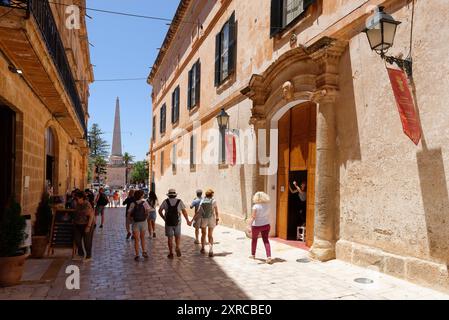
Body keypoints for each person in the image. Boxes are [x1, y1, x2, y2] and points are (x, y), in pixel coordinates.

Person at [158, 189, 191, 259]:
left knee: (170, 238)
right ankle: (177, 247)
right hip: (177, 222)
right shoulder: (179, 201)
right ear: (175, 194)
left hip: (168, 222)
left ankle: (171, 253)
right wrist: (187, 220)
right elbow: (184, 212)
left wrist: (164, 218)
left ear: (169, 195)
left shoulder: (165, 201)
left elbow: (159, 211)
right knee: (177, 236)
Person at [247, 192, 272, 264]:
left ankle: (253, 255)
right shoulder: (267, 205)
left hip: (256, 225)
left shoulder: (255, 206)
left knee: (254, 240)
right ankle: (269, 256)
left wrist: (249, 226)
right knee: (266, 240)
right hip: (266, 224)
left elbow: (253, 217)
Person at [193, 189, 219, 257]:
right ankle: (210, 250)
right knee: (210, 235)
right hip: (211, 219)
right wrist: (217, 219)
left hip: (204, 219)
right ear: (212, 194)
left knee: (203, 234)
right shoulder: (214, 201)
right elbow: (216, 211)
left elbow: (199, 211)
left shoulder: (202, 200)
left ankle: (202, 248)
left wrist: (193, 219)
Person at [127, 190, 151, 261]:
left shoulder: (132, 203)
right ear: (141, 196)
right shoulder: (145, 203)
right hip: (143, 222)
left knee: (136, 240)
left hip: (135, 223)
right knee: (142, 238)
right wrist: (145, 218)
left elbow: (129, 214)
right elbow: (148, 211)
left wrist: (131, 220)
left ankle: (137, 255)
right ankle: (144, 252)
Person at [73, 191, 95, 262]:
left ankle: (89, 256)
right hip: (78, 224)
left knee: (87, 241)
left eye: (77, 198)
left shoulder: (86, 204)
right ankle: (81, 253)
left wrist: (88, 226)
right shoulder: (77, 204)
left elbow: (91, 215)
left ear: (82, 198)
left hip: (87, 224)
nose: (76, 200)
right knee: (77, 240)